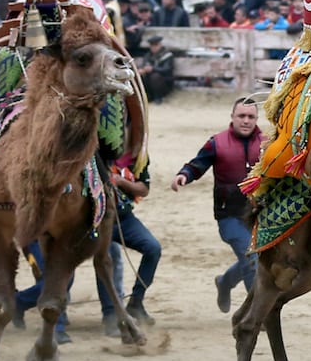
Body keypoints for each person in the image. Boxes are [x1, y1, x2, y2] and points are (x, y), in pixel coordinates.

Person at [171, 97, 263, 313]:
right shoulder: (217, 142)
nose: (246, 121)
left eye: (251, 117)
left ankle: (224, 282)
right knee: (251, 259)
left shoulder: (268, 143)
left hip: (260, 214)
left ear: (257, 119)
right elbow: (197, 164)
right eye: (241, 116)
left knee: (256, 259)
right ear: (232, 117)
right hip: (229, 216)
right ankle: (256, 313)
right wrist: (184, 175)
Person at [96, 158, 162, 336]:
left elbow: (144, 188)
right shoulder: (94, 151)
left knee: (153, 248)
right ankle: (110, 314)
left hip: (124, 217)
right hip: (98, 220)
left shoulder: (136, 154)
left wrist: (122, 182)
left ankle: (136, 302)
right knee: (106, 259)